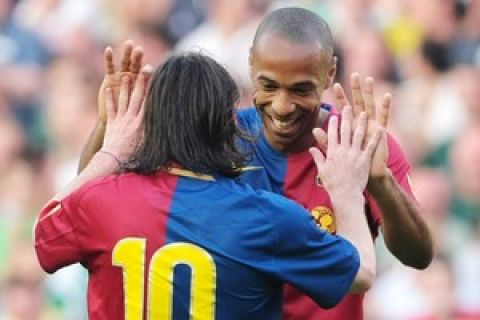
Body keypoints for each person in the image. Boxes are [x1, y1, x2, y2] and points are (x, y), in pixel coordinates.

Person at [79, 8, 433, 320]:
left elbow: (418, 256)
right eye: (268, 85)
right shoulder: (216, 136)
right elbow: (92, 210)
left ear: (329, 73)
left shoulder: (361, 146)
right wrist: (109, 125)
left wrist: (380, 183)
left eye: (300, 89)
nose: (281, 106)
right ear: (250, 63)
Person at [35, 52, 383, 319]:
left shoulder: (102, 202)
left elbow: (44, 232)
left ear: (150, 124)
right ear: (225, 127)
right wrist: (348, 192)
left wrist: (111, 151)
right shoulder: (267, 217)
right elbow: (362, 273)